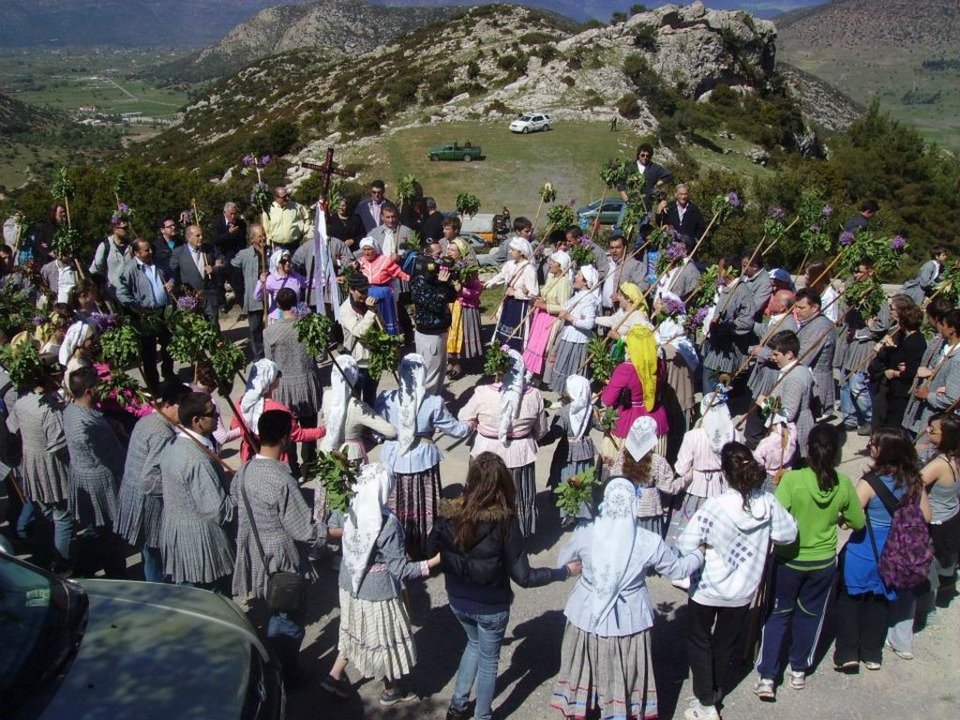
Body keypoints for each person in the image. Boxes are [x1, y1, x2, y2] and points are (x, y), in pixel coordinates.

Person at [428, 452, 579, 720]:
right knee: (488, 660)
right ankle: (483, 715)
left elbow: (431, 550)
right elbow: (525, 576)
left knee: (473, 644)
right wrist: (563, 572)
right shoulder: (505, 522)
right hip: (491, 604)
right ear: (503, 485)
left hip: (457, 599)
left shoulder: (451, 512)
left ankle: (458, 706)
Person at [551, 477, 704, 720]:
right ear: (633, 505)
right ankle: (619, 708)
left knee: (586, 664)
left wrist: (586, 568)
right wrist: (699, 554)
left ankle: (583, 705)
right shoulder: (649, 541)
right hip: (629, 617)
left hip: (586, 612)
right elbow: (678, 570)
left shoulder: (585, 533)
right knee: (624, 668)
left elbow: (562, 563)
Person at [677, 442, 797, 720]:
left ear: (724, 473)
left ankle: (705, 702)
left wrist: (705, 548)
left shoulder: (715, 506)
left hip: (707, 586)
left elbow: (686, 542)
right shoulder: (767, 503)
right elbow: (789, 534)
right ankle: (714, 691)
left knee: (700, 640)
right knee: (724, 643)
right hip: (743, 589)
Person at [754, 424, 865, 699]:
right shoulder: (843, 483)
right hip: (823, 562)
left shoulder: (792, 480)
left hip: (789, 560)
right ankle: (799, 669)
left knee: (777, 616)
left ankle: (768, 676)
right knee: (810, 616)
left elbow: (776, 518)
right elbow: (858, 521)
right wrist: (841, 519)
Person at [321, 463, 441, 705]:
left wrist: (351, 533)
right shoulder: (387, 523)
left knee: (353, 628)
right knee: (383, 638)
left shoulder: (349, 505)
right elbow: (400, 569)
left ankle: (334, 675)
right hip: (377, 589)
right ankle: (390, 689)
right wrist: (434, 561)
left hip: (348, 581)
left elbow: (330, 528)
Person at [232, 409, 324, 684]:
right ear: (286, 439)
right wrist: (334, 532)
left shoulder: (246, 469)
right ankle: (286, 672)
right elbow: (304, 531)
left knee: (275, 609)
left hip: (257, 550)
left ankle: (277, 662)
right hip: (281, 555)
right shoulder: (282, 478)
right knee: (288, 618)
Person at [834, 427, 931, 672]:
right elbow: (927, 516)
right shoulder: (915, 481)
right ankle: (872, 653)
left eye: (874, 444)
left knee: (851, 600)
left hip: (864, 548)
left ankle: (847, 653)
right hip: (894, 552)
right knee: (880, 601)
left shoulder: (870, 482)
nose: (870, 447)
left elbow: (851, 518)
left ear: (885, 450)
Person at [376, 354, 472, 557]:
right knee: (424, 503)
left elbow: (377, 432)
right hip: (423, 461)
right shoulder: (433, 403)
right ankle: (424, 545)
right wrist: (470, 425)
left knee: (397, 503)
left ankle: (398, 546)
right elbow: (456, 430)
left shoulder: (386, 399)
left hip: (393, 461)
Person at [458, 349, 548, 537]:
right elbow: (541, 431)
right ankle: (514, 534)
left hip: (485, 454)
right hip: (519, 455)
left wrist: (479, 423)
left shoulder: (483, 393)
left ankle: (481, 532)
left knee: (483, 494)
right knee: (513, 496)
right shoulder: (534, 395)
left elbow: (463, 416)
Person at [114, 381, 191, 583]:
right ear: (169, 404)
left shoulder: (148, 421)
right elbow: (150, 480)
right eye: (183, 407)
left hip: (132, 496)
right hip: (147, 505)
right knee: (155, 557)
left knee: (149, 554)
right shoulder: (162, 432)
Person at [159, 391, 236, 593]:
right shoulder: (198, 459)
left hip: (179, 535)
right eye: (213, 415)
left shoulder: (172, 443)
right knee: (216, 601)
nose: (219, 417)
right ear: (197, 421)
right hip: (202, 542)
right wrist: (239, 492)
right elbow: (218, 511)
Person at [11, 359, 74, 574]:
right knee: (62, 516)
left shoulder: (22, 401)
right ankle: (62, 563)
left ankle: (42, 556)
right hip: (51, 467)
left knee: (43, 513)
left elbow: (12, 426)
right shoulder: (50, 409)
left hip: (31, 462)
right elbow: (58, 444)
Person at [64, 365, 126, 578]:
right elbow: (114, 460)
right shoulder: (91, 426)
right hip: (100, 484)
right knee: (108, 533)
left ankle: (86, 569)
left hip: (83, 475)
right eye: (98, 386)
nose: (102, 389)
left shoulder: (71, 410)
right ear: (89, 391)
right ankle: (112, 574)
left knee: (97, 531)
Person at [667, 387, 743, 550]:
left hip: (695, 486)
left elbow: (681, 467)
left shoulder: (693, 436)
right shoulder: (734, 435)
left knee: (689, 528)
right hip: (722, 487)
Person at [264, 288, 324, 476]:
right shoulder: (308, 326)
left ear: (278, 305)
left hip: (283, 385)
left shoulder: (269, 331)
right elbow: (321, 355)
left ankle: (292, 465)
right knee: (309, 426)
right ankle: (310, 465)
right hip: (306, 381)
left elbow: (269, 362)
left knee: (286, 428)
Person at [913, 413, 960, 631]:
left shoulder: (940, 463)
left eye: (933, 430)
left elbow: (915, 482)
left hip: (936, 521)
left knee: (926, 567)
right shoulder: (954, 458)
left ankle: (926, 610)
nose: (928, 431)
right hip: (951, 515)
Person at [233, 358, 326, 467]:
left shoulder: (240, 403)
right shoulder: (277, 409)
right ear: (271, 381)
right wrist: (323, 431)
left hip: (249, 458)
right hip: (274, 461)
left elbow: (234, 427)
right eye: (278, 374)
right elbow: (298, 435)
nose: (280, 377)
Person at [116, 238, 176, 393]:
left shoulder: (158, 263)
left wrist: (171, 283)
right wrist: (135, 306)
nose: (150, 252)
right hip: (145, 315)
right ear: (137, 253)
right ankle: (153, 384)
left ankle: (169, 374)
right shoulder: (131, 269)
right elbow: (121, 293)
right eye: (146, 250)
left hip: (163, 311)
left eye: (150, 249)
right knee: (149, 353)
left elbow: (171, 275)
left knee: (169, 345)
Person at [600, 325, 669, 461]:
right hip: (655, 416)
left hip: (631, 420)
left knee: (625, 466)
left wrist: (610, 386)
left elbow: (607, 400)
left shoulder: (626, 369)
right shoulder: (659, 364)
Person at [609, 416, 684, 535]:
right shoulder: (657, 461)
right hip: (648, 512)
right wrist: (685, 479)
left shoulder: (622, 456)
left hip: (627, 507)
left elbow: (614, 474)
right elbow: (669, 487)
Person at [834, 260, 884, 434]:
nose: (855, 275)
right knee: (845, 382)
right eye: (854, 272)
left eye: (859, 271)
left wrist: (860, 333)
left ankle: (870, 419)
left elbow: (881, 325)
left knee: (858, 384)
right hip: (849, 344)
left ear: (870, 272)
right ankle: (850, 418)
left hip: (864, 345)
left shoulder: (878, 297)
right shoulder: (855, 292)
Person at [755, 330, 815, 465]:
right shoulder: (796, 369)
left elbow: (788, 413)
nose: (773, 357)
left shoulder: (795, 377)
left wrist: (765, 403)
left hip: (795, 432)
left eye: (776, 354)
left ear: (789, 354)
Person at [546, 375, 596, 523]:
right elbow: (601, 426)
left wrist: (540, 438)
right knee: (583, 478)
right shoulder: (591, 411)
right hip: (585, 451)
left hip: (566, 452)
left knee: (565, 477)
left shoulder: (563, 412)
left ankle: (567, 512)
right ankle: (582, 512)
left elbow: (556, 433)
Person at [902, 296, 953, 439]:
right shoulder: (937, 338)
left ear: (935, 318)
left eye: (929, 316)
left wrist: (930, 372)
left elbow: (945, 367)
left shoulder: (948, 343)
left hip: (932, 399)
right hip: (921, 397)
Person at [872, 297, 925, 429]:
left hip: (900, 392)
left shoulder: (915, 341)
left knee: (892, 426)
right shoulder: (907, 338)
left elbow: (908, 370)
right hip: (893, 390)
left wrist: (894, 372)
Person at [547, 266, 600, 393]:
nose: (575, 276)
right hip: (568, 335)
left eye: (579, 275)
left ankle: (571, 396)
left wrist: (569, 317)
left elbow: (589, 323)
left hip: (578, 339)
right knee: (562, 365)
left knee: (572, 368)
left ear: (586, 282)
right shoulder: (578, 295)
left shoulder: (589, 299)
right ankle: (563, 395)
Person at [411, 254, 458, 394]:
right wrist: (442, 284)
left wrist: (448, 283)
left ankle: (435, 405)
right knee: (430, 377)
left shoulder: (434, 281)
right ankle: (425, 409)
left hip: (440, 331)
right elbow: (436, 304)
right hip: (429, 336)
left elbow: (450, 298)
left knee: (440, 372)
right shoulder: (417, 283)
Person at [523, 250, 572, 378]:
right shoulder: (552, 277)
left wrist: (545, 306)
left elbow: (563, 306)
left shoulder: (564, 282)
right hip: (541, 316)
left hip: (551, 319)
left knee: (543, 347)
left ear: (560, 266)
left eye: (553, 262)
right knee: (533, 343)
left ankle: (537, 375)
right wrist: (535, 296)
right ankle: (529, 369)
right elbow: (544, 294)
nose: (549, 264)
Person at [485, 235, 539, 352]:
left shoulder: (529, 268)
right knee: (502, 332)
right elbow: (502, 275)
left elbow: (534, 293)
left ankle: (515, 359)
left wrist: (515, 293)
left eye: (513, 250)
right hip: (508, 303)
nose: (509, 252)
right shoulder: (510, 264)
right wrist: (492, 282)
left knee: (515, 335)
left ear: (521, 252)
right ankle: (500, 358)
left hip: (520, 307)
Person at [794, 288, 836, 420]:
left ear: (815, 308)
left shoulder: (820, 326)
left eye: (801, 307)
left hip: (816, 386)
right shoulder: (811, 322)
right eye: (796, 307)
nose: (796, 311)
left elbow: (803, 357)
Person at [170, 224, 224, 327]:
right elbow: (172, 270)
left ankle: (216, 342)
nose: (201, 238)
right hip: (191, 296)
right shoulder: (179, 252)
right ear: (189, 238)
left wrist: (214, 268)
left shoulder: (210, 248)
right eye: (198, 235)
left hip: (209, 293)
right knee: (195, 325)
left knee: (213, 323)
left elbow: (222, 262)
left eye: (202, 235)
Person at [445, 238, 483, 379]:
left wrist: (462, 290)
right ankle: (450, 361)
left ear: (460, 254)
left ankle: (458, 364)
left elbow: (478, 290)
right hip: (447, 305)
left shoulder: (468, 270)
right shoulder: (443, 266)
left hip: (463, 307)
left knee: (459, 334)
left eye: (453, 250)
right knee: (448, 335)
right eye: (448, 249)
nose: (449, 252)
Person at [357, 237, 409, 336]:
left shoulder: (385, 260)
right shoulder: (360, 262)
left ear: (375, 249)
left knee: (386, 320)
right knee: (371, 321)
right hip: (367, 295)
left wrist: (410, 278)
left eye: (369, 249)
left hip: (384, 295)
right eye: (364, 249)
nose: (367, 253)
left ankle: (390, 342)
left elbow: (398, 272)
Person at [230, 224, 268, 358]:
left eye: (264, 235)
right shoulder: (244, 254)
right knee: (255, 327)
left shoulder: (271, 251)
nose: (263, 238)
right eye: (259, 236)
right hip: (254, 295)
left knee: (271, 325)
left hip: (270, 295)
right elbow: (233, 265)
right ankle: (259, 355)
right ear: (252, 239)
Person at [618, 143, 674, 213]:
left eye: (647, 156)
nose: (645, 157)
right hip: (630, 203)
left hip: (646, 204)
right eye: (642, 155)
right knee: (622, 223)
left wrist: (658, 183)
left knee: (644, 223)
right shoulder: (630, 166)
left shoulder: (654, 168)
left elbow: (670, 176)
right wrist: (625, 197)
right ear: (638, 155)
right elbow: (621, 183)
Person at [212, 201, 247, 310]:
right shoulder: (218, 223)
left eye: (235, 214)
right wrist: (229, 234)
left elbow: (242, 242)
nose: (233, 216)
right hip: (222, 256)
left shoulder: (241, 223)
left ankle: (243, 304)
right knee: (219, 282)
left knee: (238, 282)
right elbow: (216, 240)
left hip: (235, 256)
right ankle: (222, 305)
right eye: (231, 214)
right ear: (225, 213)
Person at [255, 248, 307, 320]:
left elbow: (309, 283)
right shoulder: (271, 279)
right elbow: (257, 298)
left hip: (295, 316)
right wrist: (261, 282)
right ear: (277, 263)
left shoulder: (295, 276)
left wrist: (325, 279)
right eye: (283, 261)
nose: (287, 263)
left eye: (288, 260)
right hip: (278, 318)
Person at [89, 215, 132, 296]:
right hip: (112, 293)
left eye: (127, 228)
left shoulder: (131, 246)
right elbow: (95, 269)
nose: (126, 230)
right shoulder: (105, 246)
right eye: (124, 228)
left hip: (130, 291)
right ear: (115, 229)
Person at [262, 185, 310, 253]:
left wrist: (304, 231)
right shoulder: (269, 210)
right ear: (276, 197)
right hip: (278, 247)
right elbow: (266, 227)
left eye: (288, 195)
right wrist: (268, 240)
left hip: (295, 245)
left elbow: (307, 218)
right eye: (284, 197)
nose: (287, 198)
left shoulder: (296, 206)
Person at [602, 234, 645, 307]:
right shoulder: (606, 263)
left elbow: (642, 288)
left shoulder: (634, 265)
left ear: (625, 248)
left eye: (618, 247)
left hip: (623, 310)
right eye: (612, 248)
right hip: (605, 311)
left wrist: (621, 297)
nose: (614, 251)